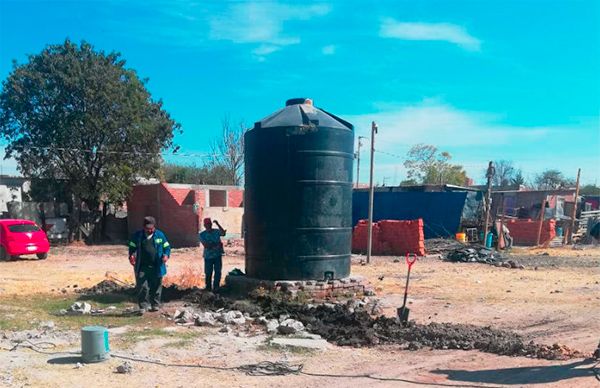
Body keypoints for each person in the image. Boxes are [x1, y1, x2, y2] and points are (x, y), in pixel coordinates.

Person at [128, 216, 171, 312]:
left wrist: (166, 255)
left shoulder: (160, 235)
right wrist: (131, 255)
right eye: (148, 228)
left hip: (157, 266)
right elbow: (132, 247)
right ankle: (143, 306)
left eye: (151, 228)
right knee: (142, 286)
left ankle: (155, 304)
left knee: (156, 286)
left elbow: (167, 247)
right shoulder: (138, 236)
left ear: (154, 227)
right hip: (142, 266)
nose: (150, 230)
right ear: (143, 227)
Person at [199, 217, 226, 291]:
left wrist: (217, 224)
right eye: (207, 224)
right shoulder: (202, 235)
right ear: (204, 225)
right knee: (208, 273)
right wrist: (217, 245)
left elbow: (223, 233)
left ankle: (216, 287)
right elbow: (206, 246)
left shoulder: (216, 231)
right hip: (208, 257)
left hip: (217, 256)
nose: (208, 225)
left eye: (209, 223)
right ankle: (208, 288)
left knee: (218, 272)